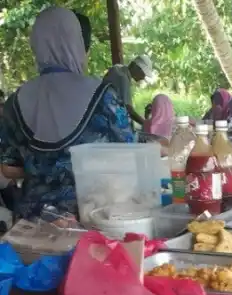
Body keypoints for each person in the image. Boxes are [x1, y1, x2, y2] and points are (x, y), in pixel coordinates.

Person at [0, 6, 135, 221]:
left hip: (32, 222)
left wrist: (42, 168)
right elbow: (129, 153)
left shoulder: (14, 103)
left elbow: (8, 168)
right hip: (91, 219)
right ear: (77, 42)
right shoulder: (103, 96)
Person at [103, 54, 154, 126]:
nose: (143, 77)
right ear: (136, 67)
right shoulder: (123, 78)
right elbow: (129, 110)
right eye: (143, 73)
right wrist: (145, 124)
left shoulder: (118, 68)